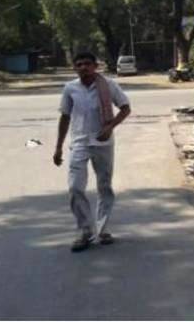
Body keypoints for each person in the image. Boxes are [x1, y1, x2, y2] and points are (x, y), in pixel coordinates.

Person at [53, 52, 131, 252]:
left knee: (104, 187)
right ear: (75, 68)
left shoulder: (108, 85)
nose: (83, 67)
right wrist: (58, 147)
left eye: (87, 64)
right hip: (79, 142)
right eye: (79, 64)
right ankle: (85, 231)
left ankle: (103, 229)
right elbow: (64, 117)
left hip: (103, 143)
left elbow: (125, 108)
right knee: (75, 187)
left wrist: (110, 127)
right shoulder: (70, 88)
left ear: (95, 66)